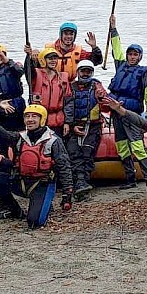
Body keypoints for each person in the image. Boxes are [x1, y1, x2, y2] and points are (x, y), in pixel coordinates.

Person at [0, 105, 74, 229]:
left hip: (42, 185)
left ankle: (45, 204)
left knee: (34, 223)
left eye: (34, 116)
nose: (30, 119)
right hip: (21, 181)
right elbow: (1, 134)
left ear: (42, 119)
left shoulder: (53, 141)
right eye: (27, 116)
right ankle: (15, 210)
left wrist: (67, 194)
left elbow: (64, 167)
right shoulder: (19, 138)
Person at [107, 15, 147, 194]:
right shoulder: (121, 65)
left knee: (138, 146)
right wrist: (113, 29)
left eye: (135, 54)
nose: (131, 56)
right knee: (121, 146)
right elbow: (116, 49)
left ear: (140, 57)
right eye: (130, 53)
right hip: (116, 112)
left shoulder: (143, 73)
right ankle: (130, 178)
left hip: (132, 114)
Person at [65, 60, 108, 200]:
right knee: (73, 151)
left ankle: (82, 183)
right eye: (83, 71)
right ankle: (80, 183)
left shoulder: (97, 87)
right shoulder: (70, 87)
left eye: (88, 71)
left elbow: (107, 106)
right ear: (78, 72)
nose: (85, 74)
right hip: (74, 125)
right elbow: (67, 108)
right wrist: (71, 126)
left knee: (87, 152)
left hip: (93, 126)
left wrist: (102, 99)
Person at [0, 43, 27, 156]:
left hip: (16, 105)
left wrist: (8, 61)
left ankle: (20, 161)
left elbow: (20, 71)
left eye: (0, 55)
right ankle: (4, 163)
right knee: (0, 139)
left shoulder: (13, 67)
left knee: (20, 138)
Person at [24, 46, 73, 135]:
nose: (53, 61)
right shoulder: (35, 74)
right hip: (39, 120)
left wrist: (67, 122)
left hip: (58, 121)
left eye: (55, 58)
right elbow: (28, 69)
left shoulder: (63, 77)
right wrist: (29, 57)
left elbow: (68, 102)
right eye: (50, 58)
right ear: (43, 60)